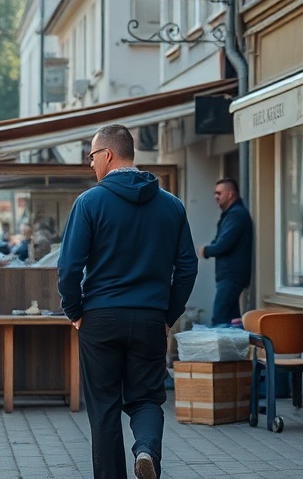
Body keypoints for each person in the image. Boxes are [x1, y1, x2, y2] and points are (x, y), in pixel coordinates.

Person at [58, 124, 198, 479]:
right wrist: (168, 314)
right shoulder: (172, 206)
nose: (90, 164)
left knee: (104, 408)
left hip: (100, 318)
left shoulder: (89, 202)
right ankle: (147, 449)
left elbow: (69, 266)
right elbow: (187, 268)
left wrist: (74, 310)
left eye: (92, 156)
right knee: (147, 398)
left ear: (107, 155)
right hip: (150, 317)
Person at [198, 177, 254, 327]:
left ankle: (223, 351)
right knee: (232, 320)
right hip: (230, 276)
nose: (216, 197)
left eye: (219, 193)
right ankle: (236, 350)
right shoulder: (232, 214)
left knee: (219, 318)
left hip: (231, 277)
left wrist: (206, 250)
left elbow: (223, 244)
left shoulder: (236, 215)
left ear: (230, 194)